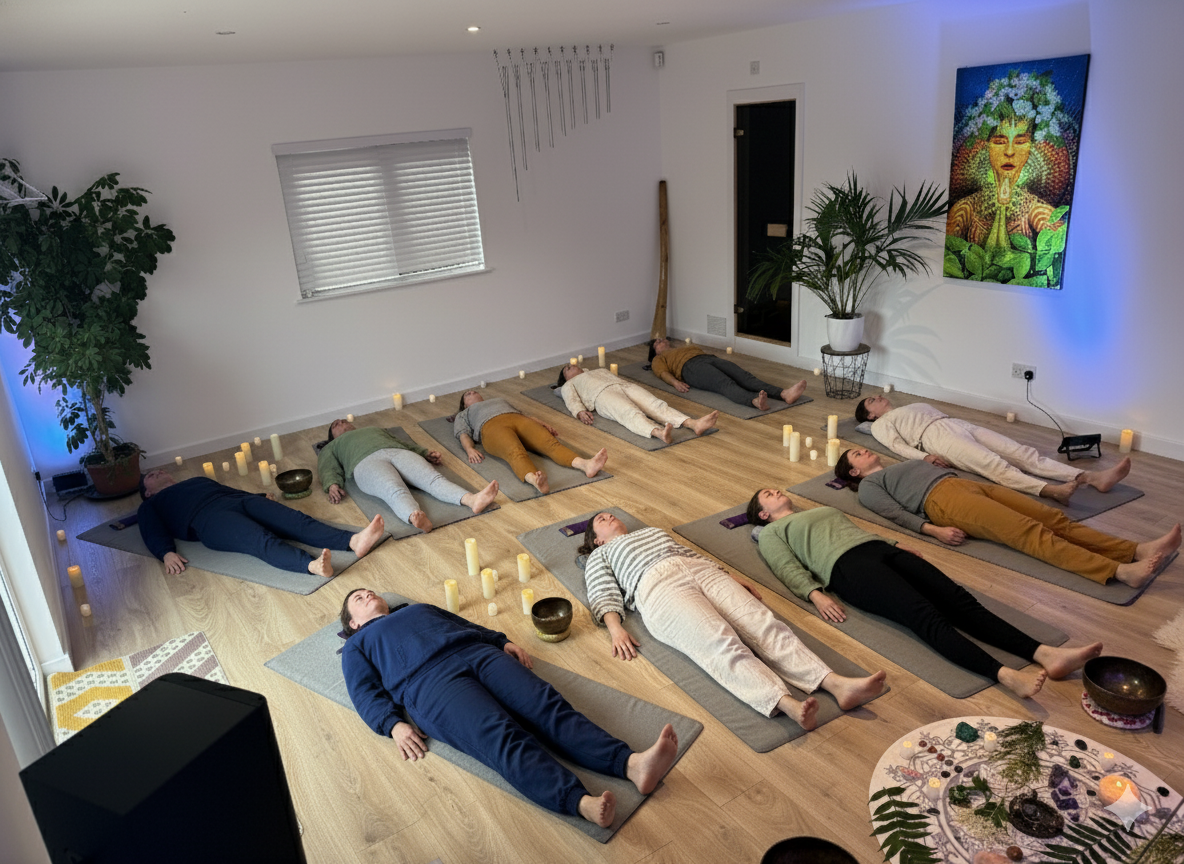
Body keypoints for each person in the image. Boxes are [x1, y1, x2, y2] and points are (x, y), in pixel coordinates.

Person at [340, 589, 680, 828]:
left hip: (476, 652)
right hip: (427, 683)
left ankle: (632, 765)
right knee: (500, 736)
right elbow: (363, 692)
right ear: (353, 623)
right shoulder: (358, 645)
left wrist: (500, 640)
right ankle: (580, 802)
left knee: (546, 705)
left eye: (369, 591)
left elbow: (465, 625)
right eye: (358, 598)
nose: (368, 594)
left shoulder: (417, 609)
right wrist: (393, 724)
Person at [748, 488, 1104, 699]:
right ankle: (1006, 676)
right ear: (764, 513)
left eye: (774, 488)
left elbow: (853, 530)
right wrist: (814, 593)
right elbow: (785, 567)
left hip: (878, 549)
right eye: (767, 494)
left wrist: (895, 544)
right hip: (847, 569)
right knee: (925, 615)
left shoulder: (820, 509)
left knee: (960, 601)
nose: (776, 491)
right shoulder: (771, 532)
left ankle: (1046, 654)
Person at [579, 513, 886, 730]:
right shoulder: (600, 556)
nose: (609, 518)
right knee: (718, 642)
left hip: (699, 569)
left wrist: (732, 576)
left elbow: (689, 552)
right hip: (655, 587)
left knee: (762, 623)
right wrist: (615, 628)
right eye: (601, 521)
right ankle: (785, 703)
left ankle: (835, 683)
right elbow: (601, 590)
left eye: (609, 515)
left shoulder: (652, 531)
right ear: (597, 540)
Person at [833, 448, 1177, 589]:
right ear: (854, 470)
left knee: (1051, 517)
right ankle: (1117, 571)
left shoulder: (895, 466)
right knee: (1030, 533)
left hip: (961, 485)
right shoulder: (869, 487)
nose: (863, 451)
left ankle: (1134, 550)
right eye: (857, 454)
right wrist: (934, 530)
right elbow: (896, 516)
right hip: (942, 502)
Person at [855, 395, 1130, 505]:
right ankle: (1047, 490)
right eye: (872, 401)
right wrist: (925, 456)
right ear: (870, 416)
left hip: (955, 423)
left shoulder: (908, 406)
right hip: (934, 438)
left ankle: (1090, 477)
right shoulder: (881, 425)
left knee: (1021, 452)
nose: (878, 397)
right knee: (993, 464)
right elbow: (897, 446)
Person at [137, 469, 385, 578]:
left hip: (237, 500)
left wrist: (256, 498)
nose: (156, 472)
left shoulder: (195, 480)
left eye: (158, 471)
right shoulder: (151, 504)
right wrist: (165, 552)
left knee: (294, 520)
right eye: (150, 476)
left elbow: (228, 489)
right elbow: (151, 529)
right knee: (259, 539)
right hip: (208, 519)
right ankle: (311, 566)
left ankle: (353, 541)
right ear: (147, 492)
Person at [319, 419, 498, 534]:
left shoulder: (373, 428)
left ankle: (472, 500)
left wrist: (424, 452)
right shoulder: (333, 446)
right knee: (394, 490)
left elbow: (402, 442)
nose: (341, 423)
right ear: (332, 437)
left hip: (397, 451)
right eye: (335, 425)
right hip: (365, 463)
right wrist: (332, 484)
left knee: (433, 479)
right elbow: (327, 466)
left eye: (343, 421)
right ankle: (415, 517)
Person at [454, 391, 607, 494]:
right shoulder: (464, 414)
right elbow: (463, 434)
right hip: (490, 427)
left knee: (550, 443)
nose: (472, 392)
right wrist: (469, 449)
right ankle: (535, 480)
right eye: (468, 394)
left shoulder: (498, 400)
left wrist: (543, 424)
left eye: (474, 391)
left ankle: (585, 465)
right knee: (515, 452)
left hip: (518, 419)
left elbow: (525, 415)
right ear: (465, 404)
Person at [555, 363, 718, 443]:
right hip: (601, 395)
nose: (572, 365)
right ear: (566, 378)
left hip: (624, 386)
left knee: (654, 404)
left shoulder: (597, 370)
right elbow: (571, 401)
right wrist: (579, 412)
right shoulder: (569, 385)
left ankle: (693, 423)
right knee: (629, 412)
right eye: (567, 369)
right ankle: (658, 432)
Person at [647, 338, 807, 411]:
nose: (661, 341)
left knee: (744, 377)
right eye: (657, 342)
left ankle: (784, 394)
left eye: (662, 339)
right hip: (689, 368)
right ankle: (754, 401)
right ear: (655, 351)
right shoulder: (658, 359)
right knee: (725, 383)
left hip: (708, 359)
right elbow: (662, 373)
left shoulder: (681, 346)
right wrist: (675, 382)